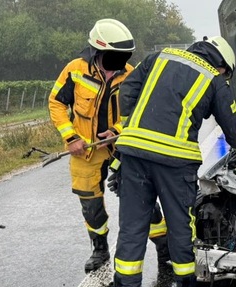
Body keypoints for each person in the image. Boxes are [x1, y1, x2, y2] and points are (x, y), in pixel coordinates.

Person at [113, 36, 236, 287]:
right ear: (223, 65)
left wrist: (133, 128)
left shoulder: (159, 57)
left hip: (133, 155)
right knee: (180, 224)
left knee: (132, 224)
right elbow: (235, 132)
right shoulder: (214, 80)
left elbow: (127, 92)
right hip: (175, 162)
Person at [48, 19, 169, 272]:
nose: (120, 61)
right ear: (97, 51)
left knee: (141, 197)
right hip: (85, 150)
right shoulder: (75, 70)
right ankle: (99, 248)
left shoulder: (131, 74)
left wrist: (116, 131)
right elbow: (56, 103)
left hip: (120, 147)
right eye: (114, 56)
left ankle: (163, 246)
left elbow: (138, 111)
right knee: (90, 204)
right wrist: (71, 138)